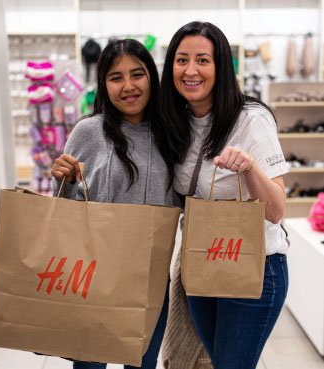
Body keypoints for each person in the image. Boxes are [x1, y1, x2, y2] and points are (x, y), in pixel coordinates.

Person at [159, 21, 289, 369]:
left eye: (203, 60)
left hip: (256, 268)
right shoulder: (174, 122)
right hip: (202, 264)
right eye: (181, 59)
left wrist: (248, 168)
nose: (190, 70)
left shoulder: (251, 119)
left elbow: (276, 210)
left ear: (220, 66)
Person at [51, 38, 175, 369]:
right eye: (116, 77)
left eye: (137, 74)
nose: (128, 86)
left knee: (142, 364)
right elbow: (62, 209)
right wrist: (61, 177)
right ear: (104, 85)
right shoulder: (88, 132)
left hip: (149, 278)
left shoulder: (172, 135)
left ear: (152, 77)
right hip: (92, 277)